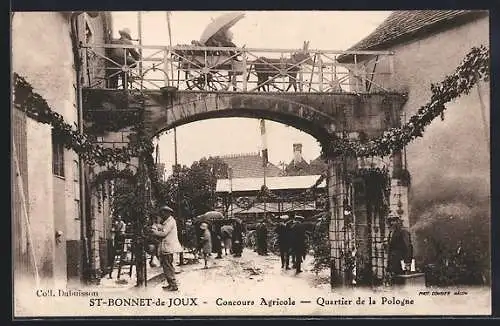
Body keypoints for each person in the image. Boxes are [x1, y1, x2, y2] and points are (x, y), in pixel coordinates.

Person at [150, 205, 183, 291]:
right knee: (167, 266)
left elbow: (163, 233)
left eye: (163, 213)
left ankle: (173, 284)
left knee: (168, 266)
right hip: (167, 247)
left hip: (168, 247)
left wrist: (154, 232)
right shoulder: (168, 222)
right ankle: (171, 283)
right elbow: (162, 228)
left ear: (167, 213)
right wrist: (156, 225)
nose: (162, 215)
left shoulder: (170, 222)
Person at [385, 215, 413, 279]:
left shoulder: (403, 232)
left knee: (403, 281)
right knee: (394, 281)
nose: (392, 223)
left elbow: (408, 247)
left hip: (401, 262)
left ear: (398, 221)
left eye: (394, 221)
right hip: (393, 263)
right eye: (390, 221)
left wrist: (408, 263)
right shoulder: (391, 233)